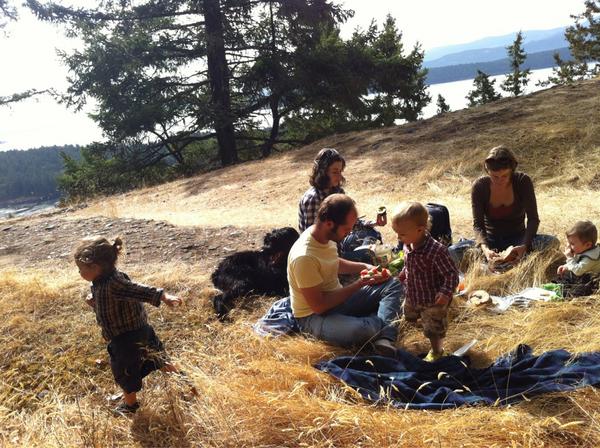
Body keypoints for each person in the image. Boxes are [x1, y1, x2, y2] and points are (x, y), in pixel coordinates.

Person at [74, 236, 184, 415]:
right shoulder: (103, 280)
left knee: (125, 372)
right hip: (141, 331)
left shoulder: (114, 283)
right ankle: (182, 381)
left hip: (125, 339)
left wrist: (164, 296)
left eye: (80, 269)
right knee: (158, 358)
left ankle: (130, 405)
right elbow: (112, 305)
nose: (79, 273)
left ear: (95, 267)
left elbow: (139, 290)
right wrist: (94, 303)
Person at [288, 194, 403, 356]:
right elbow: (319, 306)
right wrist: (359, 284)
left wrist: (365, 266)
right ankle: (382, 323)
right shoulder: (304, 257)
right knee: (365, 330)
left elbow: (333, 262)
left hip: (338, 302)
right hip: (313, 317)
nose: (348, 233)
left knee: (392, 284)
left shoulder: (324, 236)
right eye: (346, 229)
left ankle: (384, 338)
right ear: (329, 224)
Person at [449, 145, 558, 268]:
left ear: (511, 171)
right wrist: (485, 249)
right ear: (487, 171)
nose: (499, 180)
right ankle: (501, 262)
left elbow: (533, 219)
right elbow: (478, 225)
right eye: (494, 176)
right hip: (490, 240)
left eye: (505, 176)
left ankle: (502, 262)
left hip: (518, 238)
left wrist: (524, 245)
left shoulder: (522, 181)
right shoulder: (480, 186)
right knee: (452, 251)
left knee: (552, 242)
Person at [392, 202, 459, 362]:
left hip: (432, 300)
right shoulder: (409, 245)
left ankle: (437, 351)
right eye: (397, 233)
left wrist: (445, 293)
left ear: (420, 230)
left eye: (402, 234)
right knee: (409, 316)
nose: (398, 238)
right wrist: (403, 273)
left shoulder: (436, 251)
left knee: (434, 327)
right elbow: (409, 264)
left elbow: (451, 274)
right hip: (413, 294)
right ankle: (418, 328)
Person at [298, 148, 386, 261]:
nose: (339, 177)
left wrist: (375, 223)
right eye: (335, 172)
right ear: (322, 172)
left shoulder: (337, 191)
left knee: (373, 234)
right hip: (322, 253)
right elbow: (312, 239)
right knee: (368, 254)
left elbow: (349, 223)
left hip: (339, 243)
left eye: (340, 172)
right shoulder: (313, 199)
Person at [555, 221, 600, 297]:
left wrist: (569, 258)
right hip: (581, 275)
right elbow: (576, 262)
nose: (568, 246)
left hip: (591, 281)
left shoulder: (591, 258)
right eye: (568, 242)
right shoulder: (583, 249)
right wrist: (566, 266)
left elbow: (578, 271)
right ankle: (559, 285)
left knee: (580, 289)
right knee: (568, 275)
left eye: (572, 244)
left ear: (588, 245)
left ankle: (567, 293)